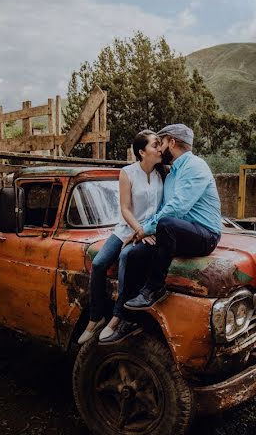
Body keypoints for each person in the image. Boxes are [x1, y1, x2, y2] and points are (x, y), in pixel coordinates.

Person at [123, 123, 222, 312]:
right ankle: (127, 315)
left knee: (167, 224)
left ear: (172, 142)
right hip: (177, 234)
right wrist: (142, 231)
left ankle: (154, 288)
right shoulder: (171, 174)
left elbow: (177, 207)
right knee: (134, 255)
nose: (159, 148)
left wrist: (146, 229)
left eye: (161, 143)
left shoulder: (196, 166)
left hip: (205, 235)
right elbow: (163, 208)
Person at [77, 130, 163, 344]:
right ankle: (95, 318)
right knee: (98, 264)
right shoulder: (127, 172)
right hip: (126, 227)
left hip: (150, 231)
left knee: (126, 258)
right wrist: (137, 230)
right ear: (142, 152)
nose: (160, 148)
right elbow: (124, 208)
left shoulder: (162, 173)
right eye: (155, 145)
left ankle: (117, 317)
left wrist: (146, 231)